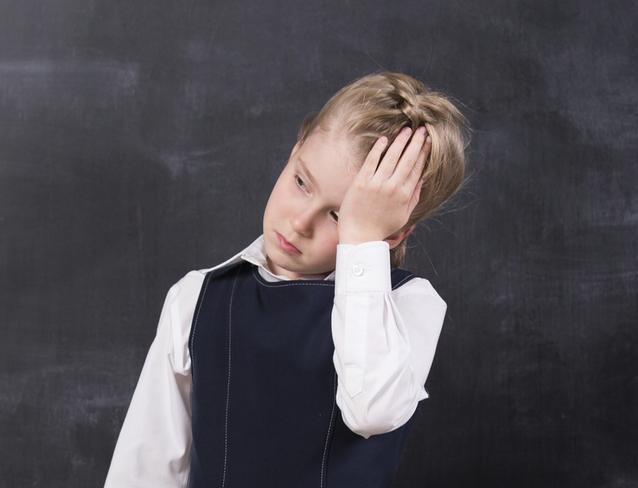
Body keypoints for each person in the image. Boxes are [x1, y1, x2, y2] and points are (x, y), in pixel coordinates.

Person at [104, 70, 470, 488]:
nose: (299, 223)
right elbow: (146, 467)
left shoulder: (409, 305)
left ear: (393, 234)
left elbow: (372, 410)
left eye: (339, 216)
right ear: (295, 150)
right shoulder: (197, 297)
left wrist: (361, 240)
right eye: (301, 182)